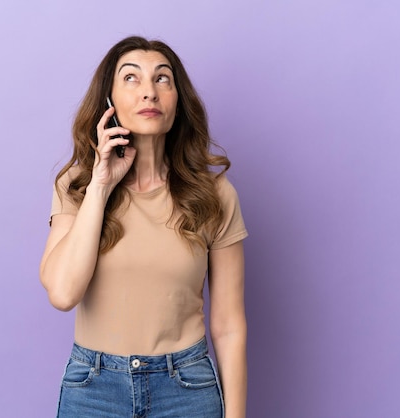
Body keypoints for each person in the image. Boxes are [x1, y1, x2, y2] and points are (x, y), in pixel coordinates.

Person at [40, 36, 248, 417]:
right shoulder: (77, 185)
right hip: (94, 390)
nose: (149, 92)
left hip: (186, 388)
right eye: (131, 78)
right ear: (109, 102)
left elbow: (229, 324)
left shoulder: (214, 194)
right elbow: (63, 293)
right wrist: (101, 186)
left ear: (178, 101)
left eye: (162, 79)